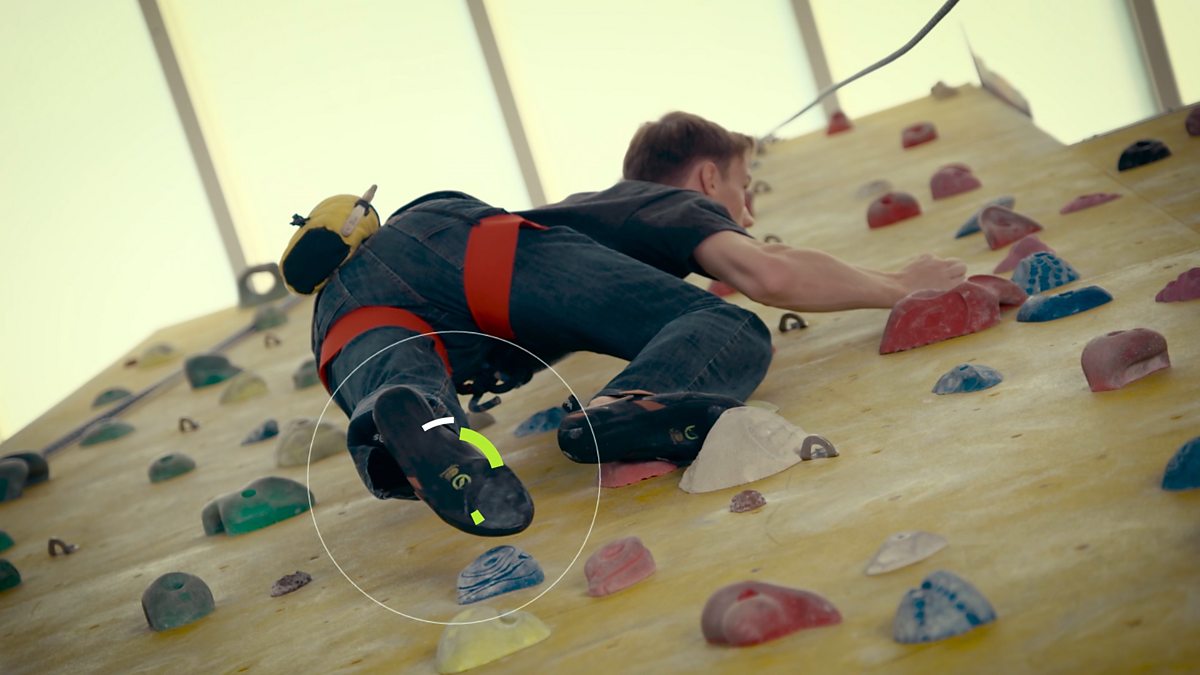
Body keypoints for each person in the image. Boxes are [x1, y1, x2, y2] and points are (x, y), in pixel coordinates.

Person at [281, 111, 966, 538]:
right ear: (705, 179)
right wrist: (905, 284)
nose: (746, 212)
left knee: (399, 385)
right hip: (472, 250)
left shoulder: (596, 215)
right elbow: (770, 274)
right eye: (743, 188)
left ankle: (405, 428)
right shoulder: (661, 205)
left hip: (343, 310)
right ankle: (620, 409)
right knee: (725, 327)